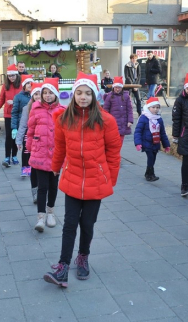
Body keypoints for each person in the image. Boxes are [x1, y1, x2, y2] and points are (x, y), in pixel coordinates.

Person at [44, 72, 121, 288]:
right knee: (69, 223)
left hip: (96, 180)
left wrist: (110, 179)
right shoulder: (64, 118)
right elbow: (60, 146)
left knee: (87, 224)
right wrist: (55, 167)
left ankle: (83, 256)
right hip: (72, 178)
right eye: (79, 93)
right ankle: (63, 266)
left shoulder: (106, 120)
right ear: (73, 95)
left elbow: (114, 152)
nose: (83, 97)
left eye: (88, 93)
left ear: (95, 96)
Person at [26, 78, 64, 232]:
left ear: (56, 94)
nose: (47, 96)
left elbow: (65, 134)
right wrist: (30, 149)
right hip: (39, 154)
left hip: (55, 155)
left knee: (53, 186)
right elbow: (30, 131)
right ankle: (40, 217)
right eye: (45, 93)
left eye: (50, 93)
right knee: (42, 187)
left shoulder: (62, 110)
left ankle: (50, 213)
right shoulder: (35, 109)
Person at [16, 82, 42, 202]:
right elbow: (22, 125)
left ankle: (41, 191)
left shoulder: (45, 108)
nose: (37, 96)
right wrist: (19, 140)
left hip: (43, 142)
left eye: (39, 94)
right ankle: (35, 193)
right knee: (31, 164)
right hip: (30, 139)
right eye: (35, 94)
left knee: (40, 168)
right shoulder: (27, 108)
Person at [134, 97, 170, 182]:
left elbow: (162, 133)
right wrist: (138, 143)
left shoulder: (159, 119)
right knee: (150, 157)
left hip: (156, 142)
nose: (155, 109)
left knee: (153, 158)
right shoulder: (143, 118)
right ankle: (151, 174)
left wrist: (166, 145)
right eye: (153, 107)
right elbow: (138, 131)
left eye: (157, 107)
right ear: (148, 107)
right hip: (146, 142)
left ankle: (147, 172)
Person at [0, 65, 22, 167]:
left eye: (13, 76)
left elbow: (24, 100)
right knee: (9, 136)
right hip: (8, 114)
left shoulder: (21, 86)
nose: (12, 78)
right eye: (10, 76)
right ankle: (7, 157)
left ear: (17, 75)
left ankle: (14, 155)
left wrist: (14, 101)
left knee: (16, 136)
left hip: (18, 115)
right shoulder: (5, 86)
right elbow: (1, 100)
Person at [11, 74, 34, 177]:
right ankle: (25, 168)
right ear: (24, 85)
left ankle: (34, 167)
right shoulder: (18, 97)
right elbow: (14, 113)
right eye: (28, 83)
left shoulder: (37, 96)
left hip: (36, 128)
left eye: (31, 83)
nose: (30, 85)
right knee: (26, 149)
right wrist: (14, 127)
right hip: (24, 126)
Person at [102, 76, 133, 143]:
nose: (117, 89)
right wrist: (106, 121)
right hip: (113, 122)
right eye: (116, 87)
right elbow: (105, 110)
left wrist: (130, 121)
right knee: (114, 141)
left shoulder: (126, 96)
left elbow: (129, 109)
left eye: (119, 87)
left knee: (120, 141)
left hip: (123, 122)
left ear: (122, 88)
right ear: (113, 87)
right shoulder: (109, 96)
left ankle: (117, 152)